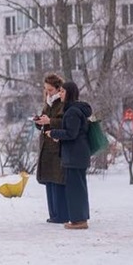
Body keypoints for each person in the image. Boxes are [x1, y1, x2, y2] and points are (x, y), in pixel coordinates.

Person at [49, 80, 92, 230]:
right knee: (78, 187)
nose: (60, 94)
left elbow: (71, 134)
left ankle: (79, 220)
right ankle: (79, 219)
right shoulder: (75, 109)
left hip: (74, 155)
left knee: (76, 189)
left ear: (69, 93)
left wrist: (54, 132)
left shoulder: (72, 111)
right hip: (77, 154)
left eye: (62, 91)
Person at [33, 73, 68, 225]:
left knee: (57, 179)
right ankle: (53, 213)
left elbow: (66, 122)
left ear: (58, 89)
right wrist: (39, 121)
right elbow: (46, 119)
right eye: (46, 90)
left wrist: (50, 121)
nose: (48, 93)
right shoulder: (48, 103)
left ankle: (60, 214)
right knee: (49, 180)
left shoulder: (63, 102)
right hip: (46, 145)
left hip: (57, 144)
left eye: (50, 90)